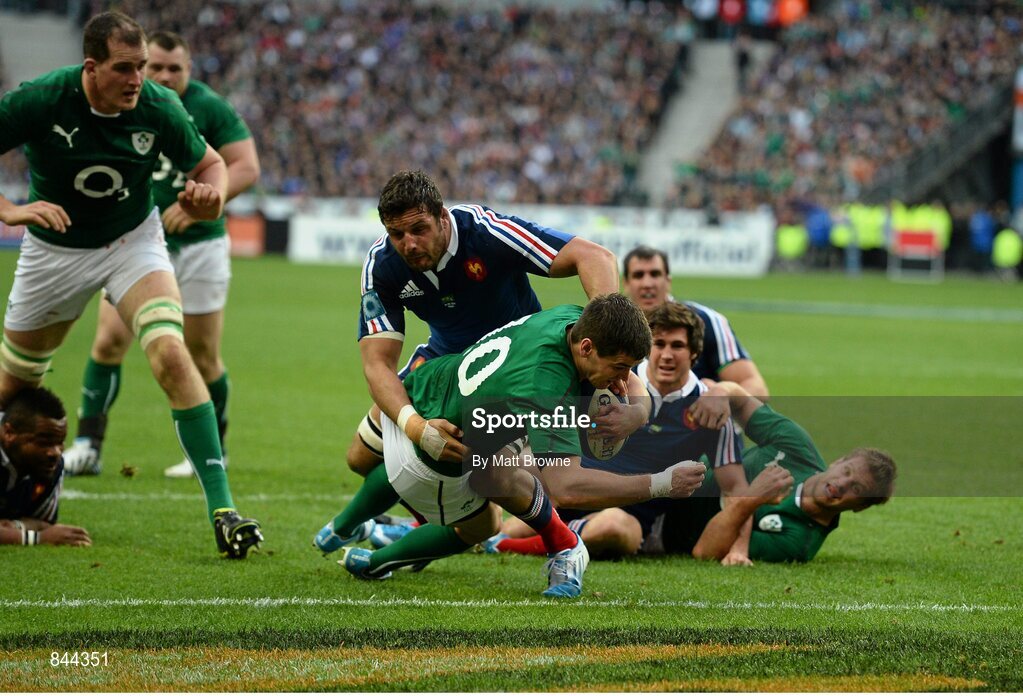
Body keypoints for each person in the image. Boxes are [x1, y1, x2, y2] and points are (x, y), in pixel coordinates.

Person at [0, 12, 261, 558]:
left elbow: (213, 166)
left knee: (170, 352)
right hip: (55, 251)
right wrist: (11, 209)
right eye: (126, 68)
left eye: (142, 67)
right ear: (91, 67)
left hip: (131, 242)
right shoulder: (41, 99)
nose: (138, 79)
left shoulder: (159, 106)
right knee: (15, 385)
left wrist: (209, 196)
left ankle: (223, 510)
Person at [315, 295, 707, 597]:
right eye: (620, 368)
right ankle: (377, 559)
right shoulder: (544, 385)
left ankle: (343, 527)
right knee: (480, 523)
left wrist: (636, 409)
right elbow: (566, 487)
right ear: (586, 347)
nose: (624, 380)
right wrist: (661, 483)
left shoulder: (571, 317)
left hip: (421, 386)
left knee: (484, 470)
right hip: (442, 445)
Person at [60, 30, 260, 480]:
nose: (166, 76)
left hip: (203, 243)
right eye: (158, 68)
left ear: (190, 70)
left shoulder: (208, 107)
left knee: (202, 353)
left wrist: (208, 202)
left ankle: (213, 451)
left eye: (177, 69)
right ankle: (88, 445)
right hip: (136, 240)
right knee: (109, 340)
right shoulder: (127, 102)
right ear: (143, 68)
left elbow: (245, 165)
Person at [348, 169, 618, 480]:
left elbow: (596, 258)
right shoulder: (382, 266)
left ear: (442, 218)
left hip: (518, 362)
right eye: (397, 234)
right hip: (447, 362)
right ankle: (404, 523)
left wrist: (606, 341)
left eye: (419, 229)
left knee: (487, 475)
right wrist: (416, 427)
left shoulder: (484, 231)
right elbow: (377, 364)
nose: (409, 244)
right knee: (361, 456)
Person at [492, 383, 896, 564]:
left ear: (859, 507)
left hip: (662, 533)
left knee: (607, 528)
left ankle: (503, 544)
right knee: (534, 479)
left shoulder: (799, 541)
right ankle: (473, 519)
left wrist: (752, 498)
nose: (840, 484)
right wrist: (720, 392)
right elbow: (739, 397)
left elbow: (706, 550)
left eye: (855, 489)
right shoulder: (799, 449)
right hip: (663, 476)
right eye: (846, 471)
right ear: (840, 460)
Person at [486, 302, 751, 563]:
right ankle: (491, 531)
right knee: (504, 466)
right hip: (576, 487)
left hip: (629, 513)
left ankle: (510, 545)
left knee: (613, 527)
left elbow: (736, 486)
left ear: (694, 354)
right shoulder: (612, 376)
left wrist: (739, 549)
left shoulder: (710, 407)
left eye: (678, 346)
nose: (667, 354)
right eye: (659, 344)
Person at [621, 245, 768, 397]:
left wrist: (723, 397)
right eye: (638, 275)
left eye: (655, 274)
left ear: (668, 281)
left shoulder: (707, 321)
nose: (648, 284)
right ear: (626, 283)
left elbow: (756, 388)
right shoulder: (615, 327)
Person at [0, 387, 91, 547]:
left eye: (60, 442)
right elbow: (43, 531)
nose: (55, 453)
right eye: (43, 442)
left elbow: (43, 523)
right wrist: (35, 538)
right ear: (9, 433)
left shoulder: (51, 465)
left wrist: (17, 526)